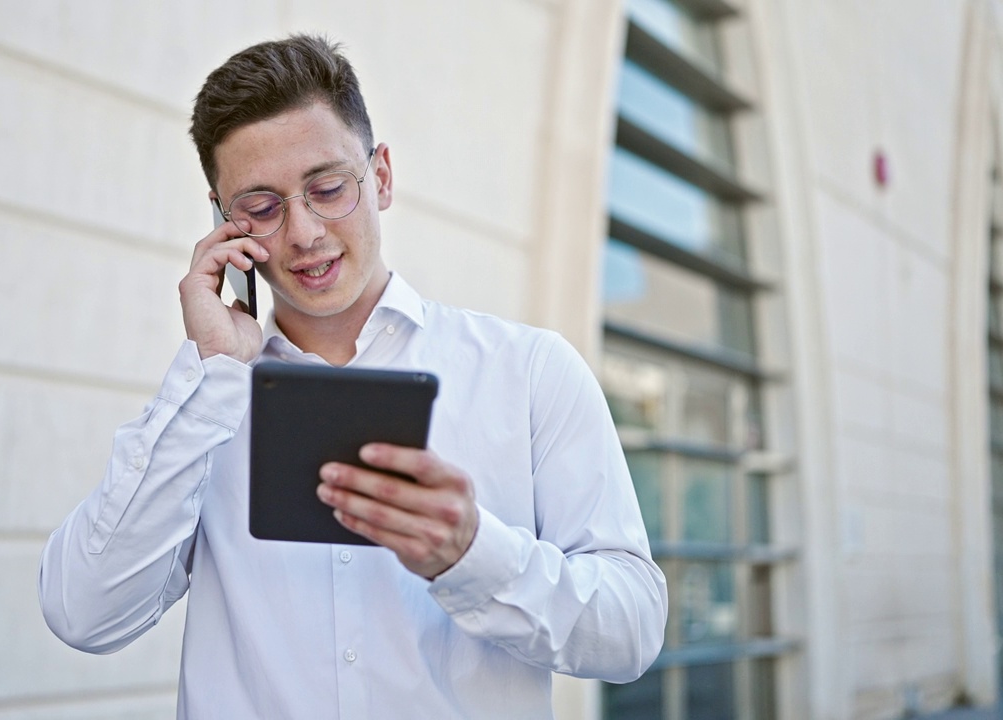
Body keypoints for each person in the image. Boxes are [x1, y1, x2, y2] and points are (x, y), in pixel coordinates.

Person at [39, 34, 666, 719]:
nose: (304, 232)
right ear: (223, 221)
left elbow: (631, 631)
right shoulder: (207, 404)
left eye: (328, 188)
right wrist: (210, 375)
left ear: (383, 176)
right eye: (262, 207)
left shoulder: (530, 372)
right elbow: (84, 613)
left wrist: (473, 554)